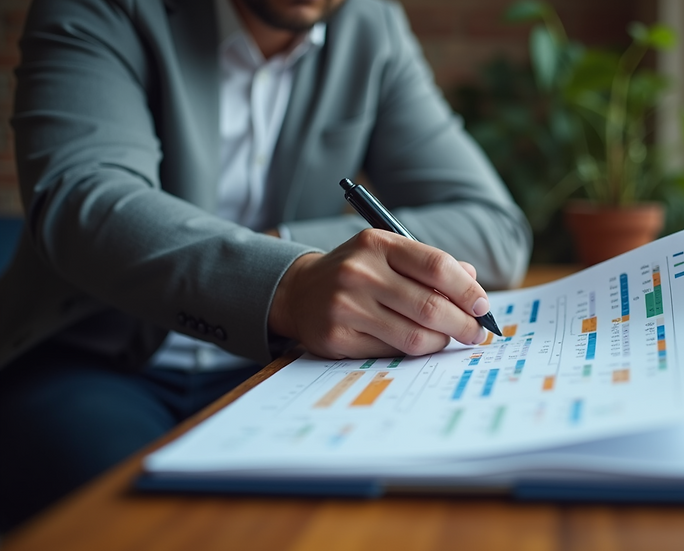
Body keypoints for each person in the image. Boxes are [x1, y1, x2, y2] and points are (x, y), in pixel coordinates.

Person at [0, 0, 532, 531]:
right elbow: (84, 204)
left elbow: (494, 228)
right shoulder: (104, 9)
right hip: (99, 358)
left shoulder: (369, 24)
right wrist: (286, 283)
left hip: (284, 364)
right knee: (139, 525)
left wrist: (293, 260)